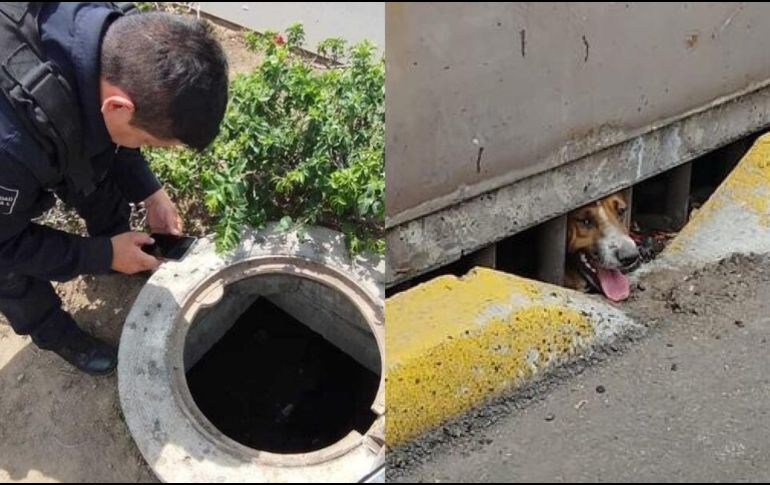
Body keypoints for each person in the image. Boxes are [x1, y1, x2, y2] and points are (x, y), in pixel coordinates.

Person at [0, 2, 228, 375]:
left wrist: (151, 192)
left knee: (94, 151)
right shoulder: (10, 149)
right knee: (8, 269)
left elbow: (106, 131)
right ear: (119, 105)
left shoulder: (111, 35)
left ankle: (121, 246)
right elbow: (5, 245)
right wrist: (98, 256)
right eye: (151, 143)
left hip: (47, 110)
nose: (145, 150)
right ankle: (54, 332)